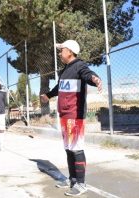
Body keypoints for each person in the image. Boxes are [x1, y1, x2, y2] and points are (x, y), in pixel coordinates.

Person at [40, 40, 102, 197]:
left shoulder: (79, 65)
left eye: (61, 50)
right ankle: (73, 180)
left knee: (76, 149)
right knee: (69, 149)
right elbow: (59, 88)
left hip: (75, 115)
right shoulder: (65, 70)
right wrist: (48, 95)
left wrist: (95, 79)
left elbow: (88, 75)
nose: (60, 53)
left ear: (70, 51)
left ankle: (81, 183)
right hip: (64, 115)